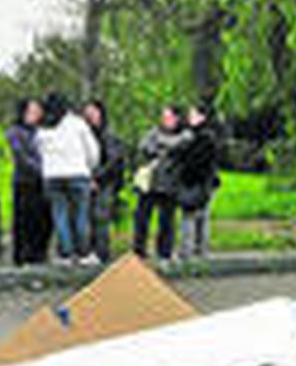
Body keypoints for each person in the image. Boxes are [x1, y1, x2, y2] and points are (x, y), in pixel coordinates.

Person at [37, 95, 100, 265]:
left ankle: (66, 253)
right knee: (81, 214)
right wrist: (90, 167)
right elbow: (92, 150)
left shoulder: (43, 128)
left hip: (52, 176)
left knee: (60, 214)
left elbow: (39, 151)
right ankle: (84, 253)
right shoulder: (77, 124)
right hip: (77, 173)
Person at [132, 106, 189, 260]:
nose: (165, 120)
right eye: (163, 117)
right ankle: (139, 249)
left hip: (170, 184)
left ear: (177, 118)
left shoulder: (185, 135)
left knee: (167, 220)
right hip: (151, 183)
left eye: (168, 117)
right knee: (141, 217)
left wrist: (161, 147)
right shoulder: (154, 132)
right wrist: (161, 149)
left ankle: (164, 252)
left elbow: (180, 147)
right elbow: (144, 146)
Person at [6, 98, 52, 266]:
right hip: (25, 181)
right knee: (23, 219)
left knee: (43, 219)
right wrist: (42, 169)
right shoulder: (15, 132)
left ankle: (39, 253)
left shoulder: (45, 131)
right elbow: (21, 156)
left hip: (44, 182)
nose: (35, 114)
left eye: (38, 111)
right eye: (32, 111)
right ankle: (22, 255)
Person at [174, 105, 222, 259]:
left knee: (190, 216)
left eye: (193, 115)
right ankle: (200, 249)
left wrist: (185, 173)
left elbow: (195, 161)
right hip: (205, 182)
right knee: (201, 216)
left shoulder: (201, 138)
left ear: (202, 117)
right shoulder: (202, 136)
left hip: (197, 182)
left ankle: (188, 250)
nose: (189, 117)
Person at [84, 99, 126, 259]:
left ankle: (101, 254)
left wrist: (97, 179)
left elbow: (113, 161)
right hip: (90, 182)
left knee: (100, 217)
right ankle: (90, 252)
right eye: (87, 113)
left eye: (93, 113)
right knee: (88, 218)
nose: (90, 116)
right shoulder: (85, 135)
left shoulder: (109, 135)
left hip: (106, 183)